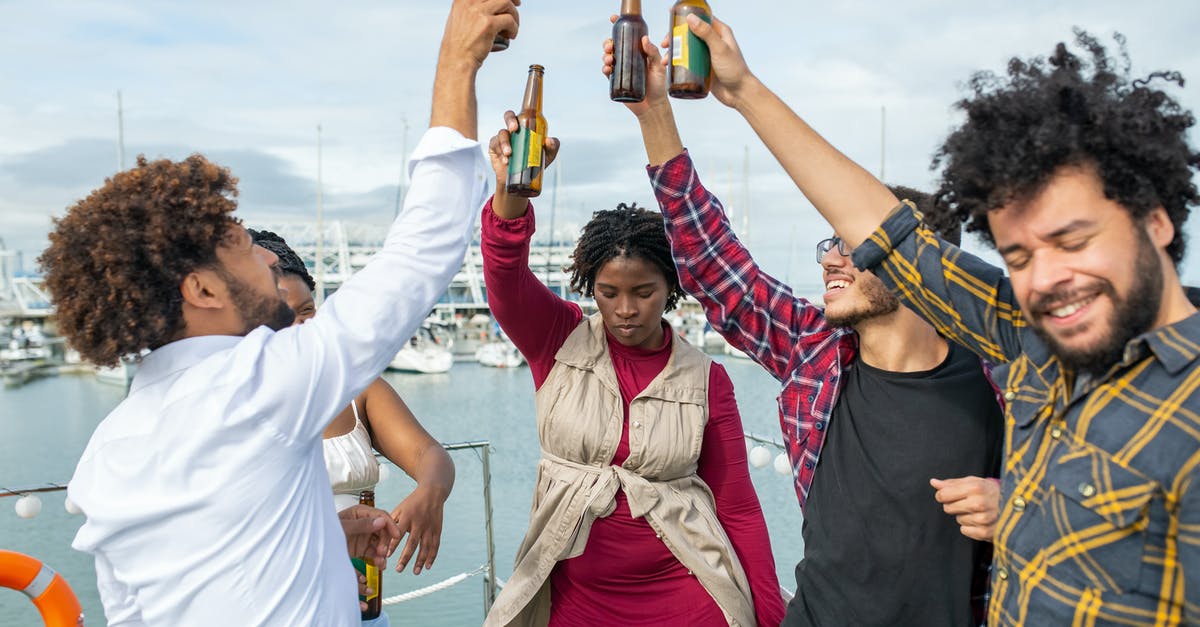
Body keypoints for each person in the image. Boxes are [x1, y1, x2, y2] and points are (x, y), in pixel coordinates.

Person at [665, 14, 1200, 626]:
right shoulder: (1027, 340)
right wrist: (741, 91)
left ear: (1156, 220)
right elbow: (886, 239)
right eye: (1018, 258)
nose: (1047, 279)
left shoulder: (1141, 389)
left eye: (1073, 241)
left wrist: (1013, 510)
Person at [38, 1, 513, 623]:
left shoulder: (113, 444)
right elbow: (425, 245)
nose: (266, 256)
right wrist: (458, 60)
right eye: (242, 245)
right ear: (202, 290)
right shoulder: (259, 385)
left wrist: (322, 534)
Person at [604, 26, 1005, 627]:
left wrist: (1020, 512)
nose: (830, 260)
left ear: (916, 266)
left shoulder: (1001, 376)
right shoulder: (815, 351)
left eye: (851, 246)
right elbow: (712, 261)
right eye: (829, 243)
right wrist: (654, 111)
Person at [479, 117, 785, 626]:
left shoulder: (707, 379)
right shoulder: (556, 338)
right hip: (575, 601)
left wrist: (772, 618)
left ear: (670, 288)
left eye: (643, 293)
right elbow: (504, 274)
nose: (625, 309)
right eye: (608, 292)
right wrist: (512, 189)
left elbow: (738, 508)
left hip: (690, 596)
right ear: (590, 287)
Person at [251, 229, 457, 624]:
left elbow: (428, 453)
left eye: (307, 311)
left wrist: (431, 491)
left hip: (360, 609)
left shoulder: (355, 389)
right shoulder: (234, 406)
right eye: (281, 318)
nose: (298, 328)